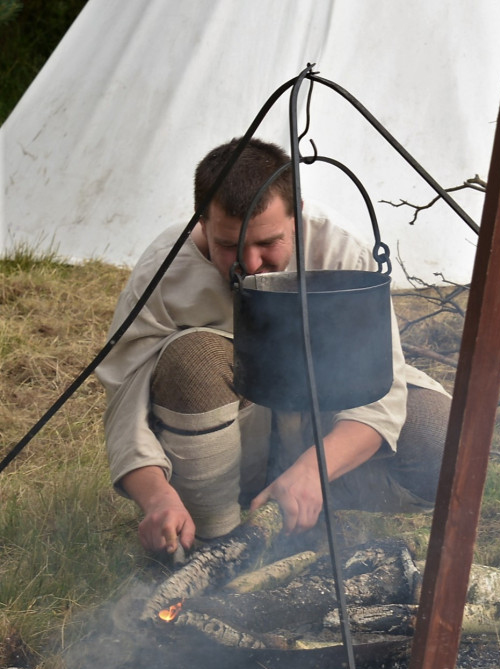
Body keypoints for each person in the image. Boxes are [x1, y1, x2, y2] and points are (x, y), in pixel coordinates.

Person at [96, 137, 451, 556]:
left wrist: (316, 470)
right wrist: (157, 498)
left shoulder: (339, 251)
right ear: (202, 222)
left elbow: (380, 394)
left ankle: (305, 508)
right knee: (196, 357)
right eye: (228, 245)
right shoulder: (163, 273)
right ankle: (217, 542)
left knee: (442, 436)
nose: (248, 263)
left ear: (297, 216)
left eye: (267, 243)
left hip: (320, 430)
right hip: (219, 456)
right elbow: (126, 408)